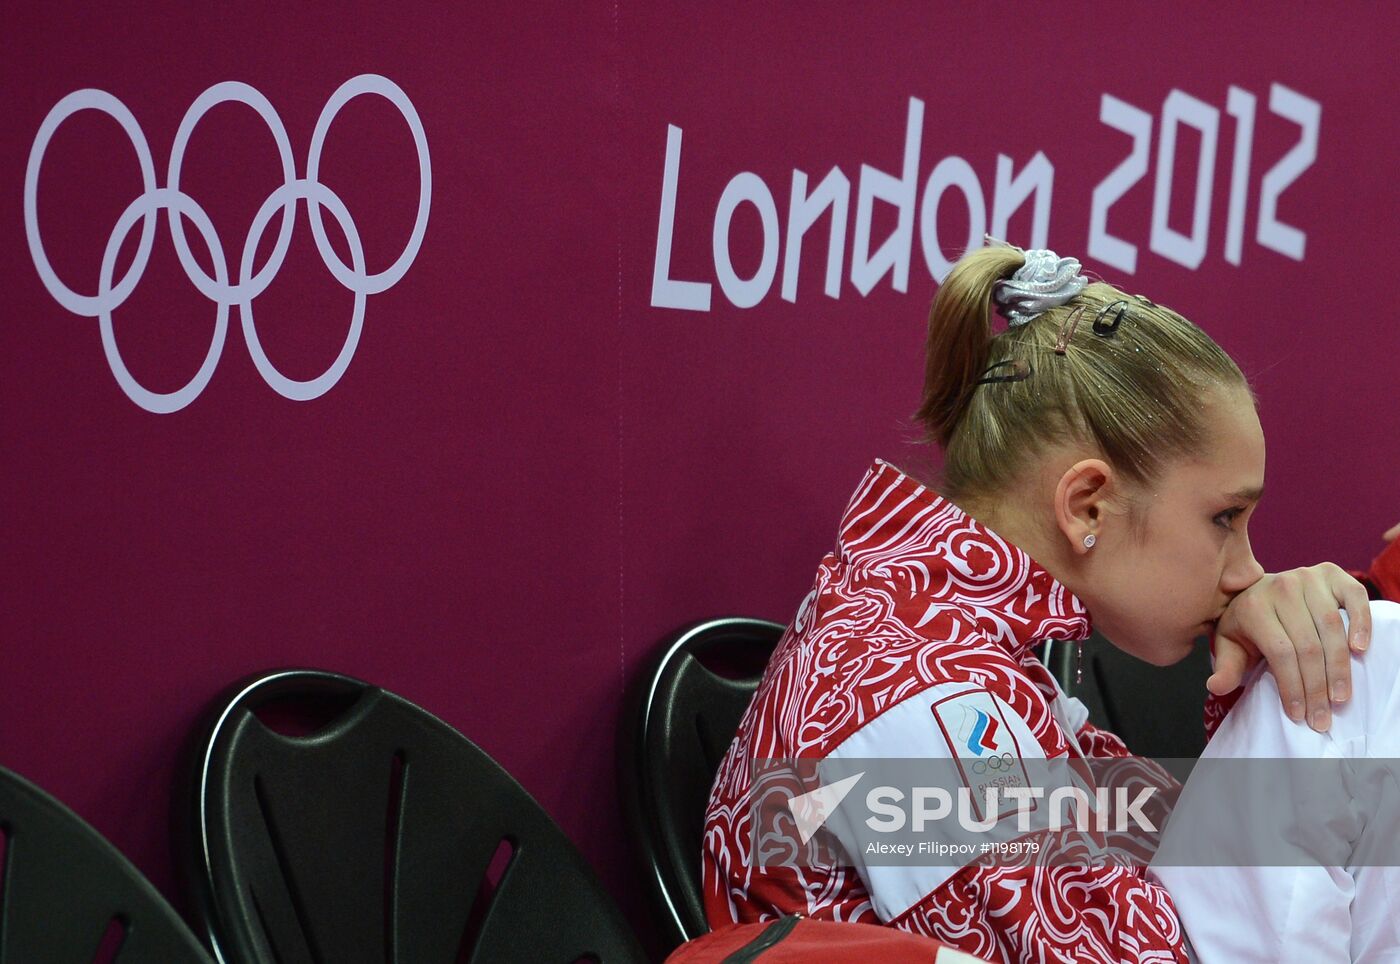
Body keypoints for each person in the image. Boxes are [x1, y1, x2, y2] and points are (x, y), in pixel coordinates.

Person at [702, 240, 1391, 962]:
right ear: (1087, 506)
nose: (1246, 570)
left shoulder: (936, 632)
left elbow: (1153, 849)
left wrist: (1261, 683)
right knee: (1372, 659)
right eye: (1224, 520)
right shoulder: (932, 700)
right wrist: (1295, 699)